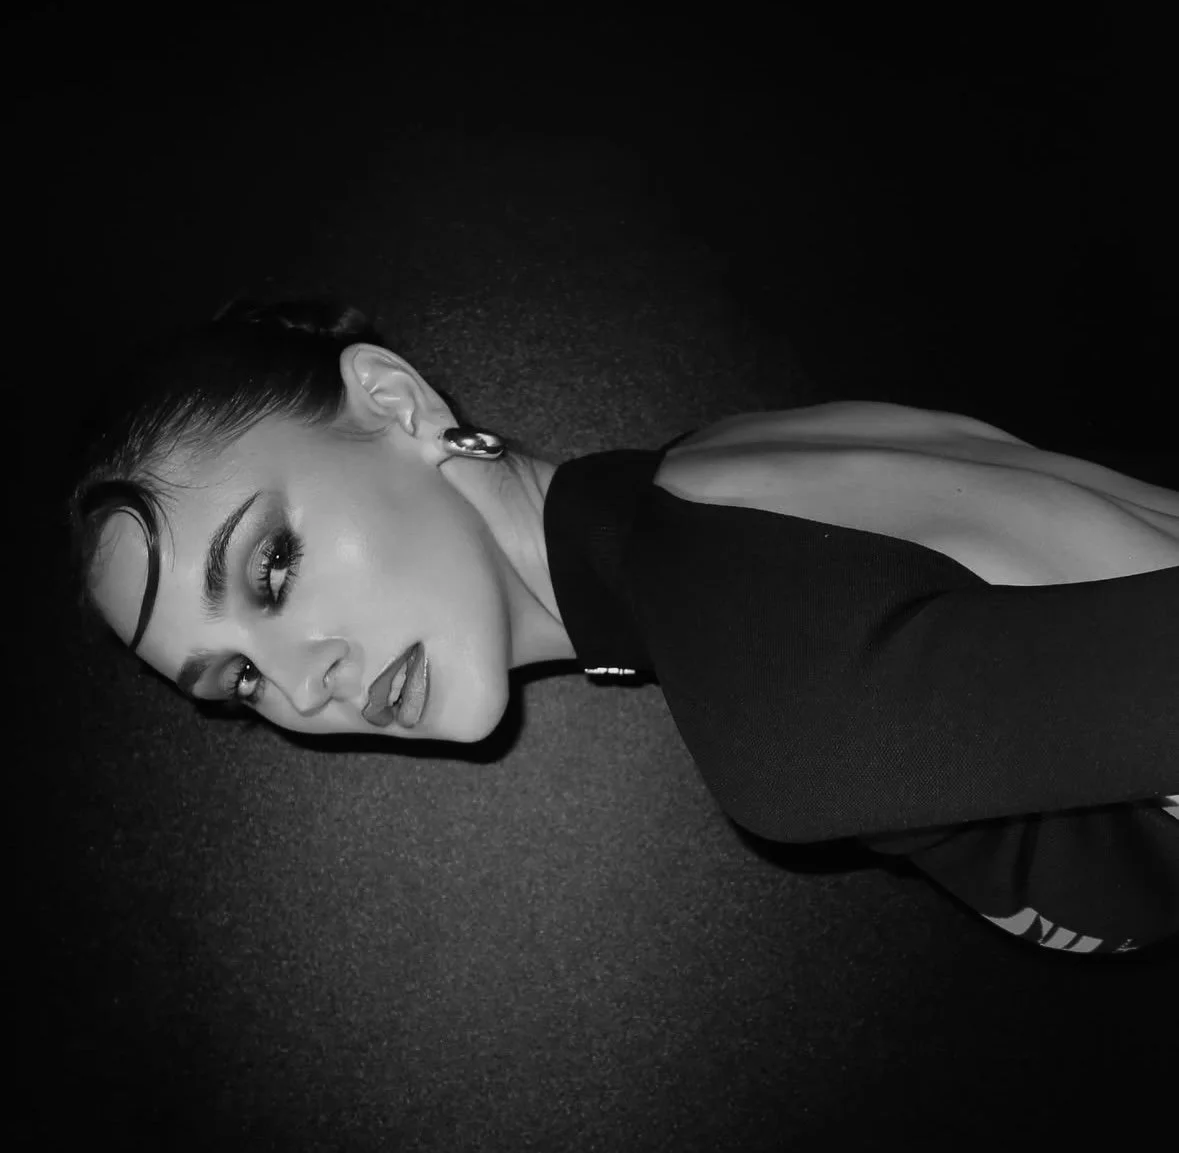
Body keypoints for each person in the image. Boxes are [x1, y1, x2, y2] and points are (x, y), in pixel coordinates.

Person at [66, 298, 1179, 957]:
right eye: (239, 683)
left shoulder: (768, 695)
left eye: (270, 567)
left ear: (398, 403)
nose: (302, 685)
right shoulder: (719, 464)